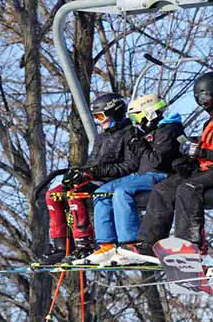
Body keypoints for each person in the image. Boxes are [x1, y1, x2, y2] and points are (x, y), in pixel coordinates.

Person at [109, 71, 213, 265]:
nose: (203, 104)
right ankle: (148, 245)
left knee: (188, 188)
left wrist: (201, 153)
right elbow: (205, 150)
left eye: (206, 98)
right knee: (163, 189)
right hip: (208, 167)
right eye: (199, 100)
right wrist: (187, 161)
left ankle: (191, 245)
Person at [74, 95, 184, 265]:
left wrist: (138, 144)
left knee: (121, 192)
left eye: (137, 117)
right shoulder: (149, 132)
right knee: (101, 193)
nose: (137, 122)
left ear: (149, 113)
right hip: (142, 175)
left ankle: (129, 243)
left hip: (160, 175)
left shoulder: (168, 130)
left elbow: (157, 161)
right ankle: (107, 244)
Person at [41, 93, 138, 263]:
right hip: (96, 177)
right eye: (95, 118)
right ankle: (61, 246)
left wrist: (95, 171)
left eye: (101, 116)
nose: (99, 121)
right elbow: (92, 162)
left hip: (112, 180)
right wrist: (79, 173)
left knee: (75, 194)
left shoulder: (129, 133)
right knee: (52, 195)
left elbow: (130, 166)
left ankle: (84, 244)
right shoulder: (101, 137)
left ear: (114, 113)